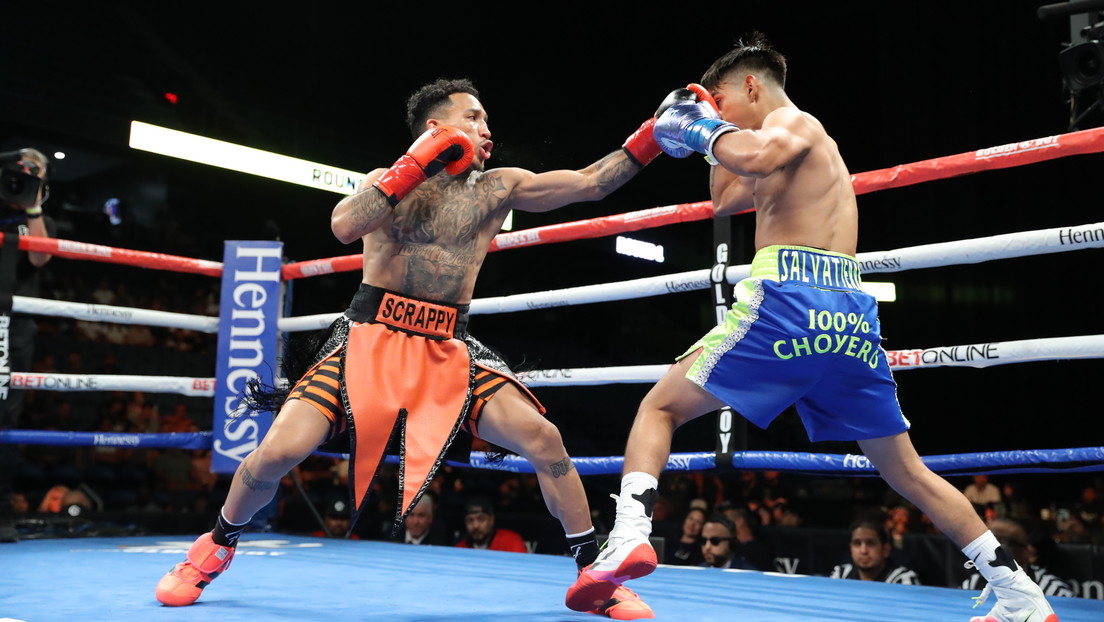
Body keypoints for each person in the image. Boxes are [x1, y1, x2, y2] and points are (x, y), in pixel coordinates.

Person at [566, 33, 1059, 622]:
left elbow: (750, 156)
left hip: (790, 299)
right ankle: (1021, 596)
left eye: (721, 102)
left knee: (660, 408)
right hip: (846, 316)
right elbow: (726, 198)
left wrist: (700, 126)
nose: (719, 115)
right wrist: (701, 138)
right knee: (906, 470)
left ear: (751, 85)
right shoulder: (770, 146)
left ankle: (628, 536)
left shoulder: (798, 125)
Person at [155, 77, 663, 619]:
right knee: (280, 450)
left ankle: (594, 574)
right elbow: (344, 226)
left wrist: (654, 136)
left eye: (487, 121)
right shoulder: (387, 182)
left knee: (544, 438)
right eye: (473, 117)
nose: (486, 131)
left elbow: (590, 183)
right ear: (435, 127)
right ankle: (212, 551)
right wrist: (413, 165)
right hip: (370, 336)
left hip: (448, 344)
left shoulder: (498, 187)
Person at [0, 147, 54, 543]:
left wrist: (32, 207)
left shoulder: (35, 219)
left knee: (6, 417)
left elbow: (39, 259)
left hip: (14, 328)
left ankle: (1, 511)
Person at [961, 518, 1074, 599]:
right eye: (987, 542)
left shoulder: (1053, 591)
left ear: (1026, 551)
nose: (992, 549)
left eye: (1002, 542)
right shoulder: (972, 584)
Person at [830, 519, 920, 585]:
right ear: (850, 548)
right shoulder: (841, 574)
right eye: (857, 544)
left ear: (886, 549)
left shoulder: (903, 579)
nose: (863, 551)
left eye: (870, 544)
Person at [455, 496, 527, 553]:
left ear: (491, 519)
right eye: (470, 520)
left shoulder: (511, 542)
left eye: (481, 519)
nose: (475, 526)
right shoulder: (461, 548)